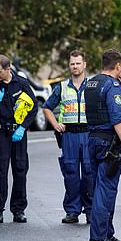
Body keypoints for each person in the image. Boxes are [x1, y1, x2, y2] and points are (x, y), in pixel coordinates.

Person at [84, 49, 121, 241]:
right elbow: (117, 119)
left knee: (99, 188)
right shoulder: (112, 86)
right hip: (109, 144)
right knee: (106, 190)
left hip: (93, 139)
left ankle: (106, 232)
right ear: (118, 66)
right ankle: (98, 238)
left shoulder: (92, 83)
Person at [43, 50, 92, 224]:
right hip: (69, 135)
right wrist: (55, 124)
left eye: (78, 63)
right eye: (72, 63)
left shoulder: (92, 86)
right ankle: (72, 211)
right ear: (69, 65)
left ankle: (90, 210)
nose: (75, 66)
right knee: (70, 173)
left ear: (84, 64)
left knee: (88, 172)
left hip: (88, 134)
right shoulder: (62, 87)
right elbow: (47, 107)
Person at [0, 55, 38, 223]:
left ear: (8, 69)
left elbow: (33, 107)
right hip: (0, 133)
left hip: (18, 133)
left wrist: (23, 127)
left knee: (20, 170)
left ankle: (18, 210)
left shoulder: (22, 83)